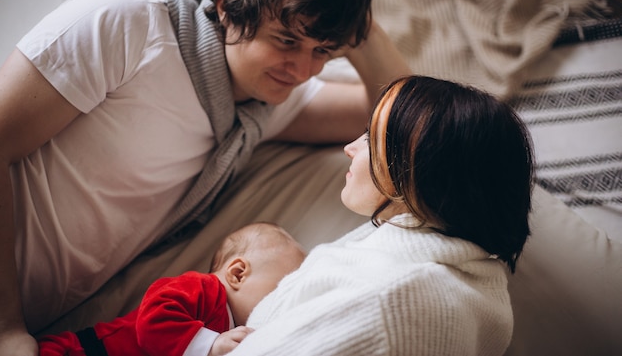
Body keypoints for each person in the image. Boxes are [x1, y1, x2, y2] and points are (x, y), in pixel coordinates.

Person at [0, 0, 411, 354]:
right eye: (286, 40)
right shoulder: (128, 26)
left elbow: (397, 114)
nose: (304, 70)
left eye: (322, 51)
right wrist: (5, 328)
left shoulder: (264, 105)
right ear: (227, 7)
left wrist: (355, 20)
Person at [225, 75, 535, 356]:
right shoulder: (467, 287)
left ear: (420, 172)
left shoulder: (389, 301)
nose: (350, 148)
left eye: (371, 139)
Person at [37, 222, 306, 356]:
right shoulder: (204, 289)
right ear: (237, 273)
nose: (283, 303)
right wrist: (210, 345)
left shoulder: (234, 331)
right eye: (280, 289)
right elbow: (153, 317)